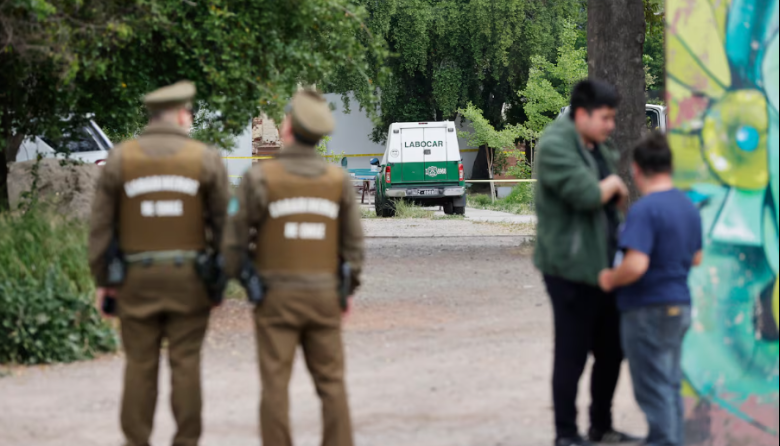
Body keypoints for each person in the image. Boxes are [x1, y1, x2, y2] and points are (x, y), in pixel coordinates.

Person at [88, 81, 229, 446]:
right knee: (185, 365)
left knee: (139, 366)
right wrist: (218, 279)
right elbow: (224, 227)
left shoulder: (121, 158)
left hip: (136, 279)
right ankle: (186, 440)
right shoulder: (204, 158)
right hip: (189, 279)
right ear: (182, 114)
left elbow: (101, 226)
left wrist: (105, 280)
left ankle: (136, 441)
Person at [221, 89, 365, 446]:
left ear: (287, 128)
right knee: (332, 384)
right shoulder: (337, 181)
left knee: (275, 384)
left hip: (275, 296)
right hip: (324, 295)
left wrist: (247, 281)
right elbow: (354, 247)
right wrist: (346, 290)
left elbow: (233, 243)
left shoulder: (261, 179)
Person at [534, 79, 640, 446]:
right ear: (582, 114)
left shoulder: (593, 145)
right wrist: (611, 186)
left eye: (613, 118)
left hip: (604, 267)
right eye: (606, 117)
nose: (611, 125)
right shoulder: (554, 145)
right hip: (569, 268)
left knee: (612, 349)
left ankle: (601, 426)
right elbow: (586, 193)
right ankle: (565, 434)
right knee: (572, 352)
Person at [598, 132, 703, 446]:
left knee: (651, 388)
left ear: (637, 170)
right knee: (668, 383)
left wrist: (610, 278)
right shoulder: (688, 206)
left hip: (647, 309)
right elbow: (696, 257)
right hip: (679, 306)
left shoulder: (646, 210)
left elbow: (636, 264)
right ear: (669, 168)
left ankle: (663, 441)